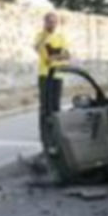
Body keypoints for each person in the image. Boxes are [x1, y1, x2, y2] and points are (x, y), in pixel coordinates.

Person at [34, 12, 71, 141]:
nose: (52, 24)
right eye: (49, 21)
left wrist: (54, 57)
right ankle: (44, 134)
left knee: (56, 106)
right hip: (45, 75)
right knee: (45, 106)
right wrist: (57, 55)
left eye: (54, 22)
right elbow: (40, 51)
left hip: (58, 75)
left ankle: (55, 134)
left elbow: (67, 55)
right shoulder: (40, 36)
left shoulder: (61, 37)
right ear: (45, 22)